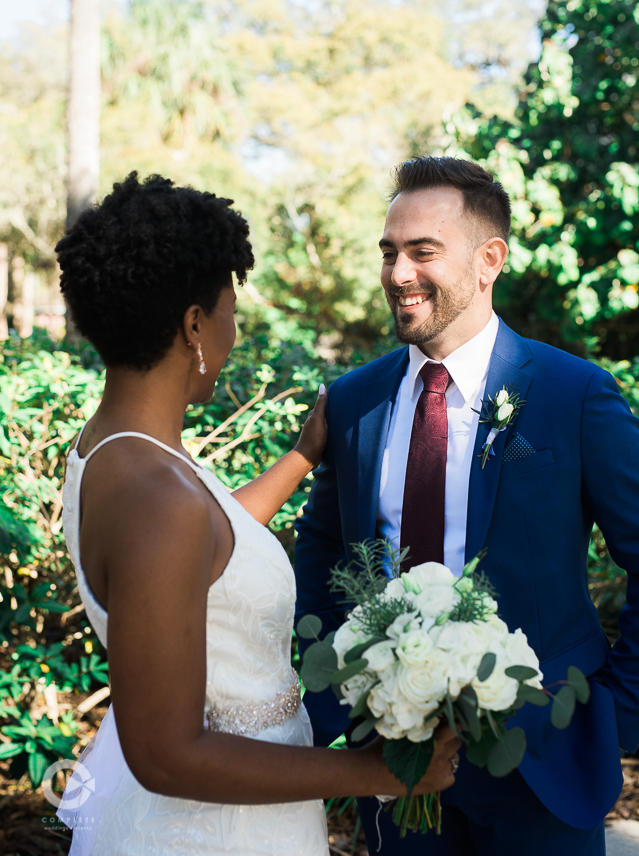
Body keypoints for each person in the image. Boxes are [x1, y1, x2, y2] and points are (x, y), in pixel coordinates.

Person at [53, 172, 460, 856]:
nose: (233, 331)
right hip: (208, 832)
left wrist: (301, 456)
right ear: (192, 326)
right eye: (228, 312)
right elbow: (166, 755)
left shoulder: (119, 453)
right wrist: (374, 772)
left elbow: (209, 551)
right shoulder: (157, 495)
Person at [295, 156, 639, 856]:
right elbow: (321, 548)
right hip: (391, 758)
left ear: (488, 260)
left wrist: (614, 709)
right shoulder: (353, 400)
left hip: (544, 760)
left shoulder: (574, 395)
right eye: (388, 252)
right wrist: (337, 685)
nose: (397, 273)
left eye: (423, 252)